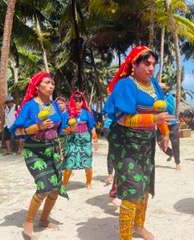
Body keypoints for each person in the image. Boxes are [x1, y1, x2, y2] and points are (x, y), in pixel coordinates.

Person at [104, 46, 174, 240]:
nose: (151, 68)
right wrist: (154, 121)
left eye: (153, 64)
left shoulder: (154, 86)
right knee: (133, 189)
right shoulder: (126, 85)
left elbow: (161, 115)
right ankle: (125, 236)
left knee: (144, 188)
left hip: (146, 143)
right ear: (134, 64)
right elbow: (123, 119)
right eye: (146, 63)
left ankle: (139, 226)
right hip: (126, 144)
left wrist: (164, 134)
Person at [10, 71, 68, 239]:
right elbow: (17, 131)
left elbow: (59, 129)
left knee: (55, 188)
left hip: (52, 149)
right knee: (44, 186)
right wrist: (36, 127)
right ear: (37, 87)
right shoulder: (29, 106)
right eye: (47, 83)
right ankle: (28, 222)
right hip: (34, 150)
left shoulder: (54, 105)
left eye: (53, 83)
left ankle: (43, 219)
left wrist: (62, 146)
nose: (51, 86)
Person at [62, 91, 98, 190]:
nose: (78, 103)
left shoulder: (87, 113)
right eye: (75, 100)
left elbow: (92, 126)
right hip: (72, 141)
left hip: (85, 141)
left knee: (87, 163)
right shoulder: (67, 114)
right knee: (69, 163)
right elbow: (62, 129)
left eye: (80, 100)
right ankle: (64, 184)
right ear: (72, 101)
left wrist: (95, 137)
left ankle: (88, 182)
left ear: (83, 102)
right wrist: (69, 130)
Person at [158, 83, 181, 170]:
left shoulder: (170, 97)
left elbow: (171, 110)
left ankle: (177, 163)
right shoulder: (155, 98)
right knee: (160, 143)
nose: (161, 90)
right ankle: (170, 153)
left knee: (175, 143)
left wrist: (162, 105)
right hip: (161, 123)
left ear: (165, 89)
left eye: (163, 89)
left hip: (172, 123)